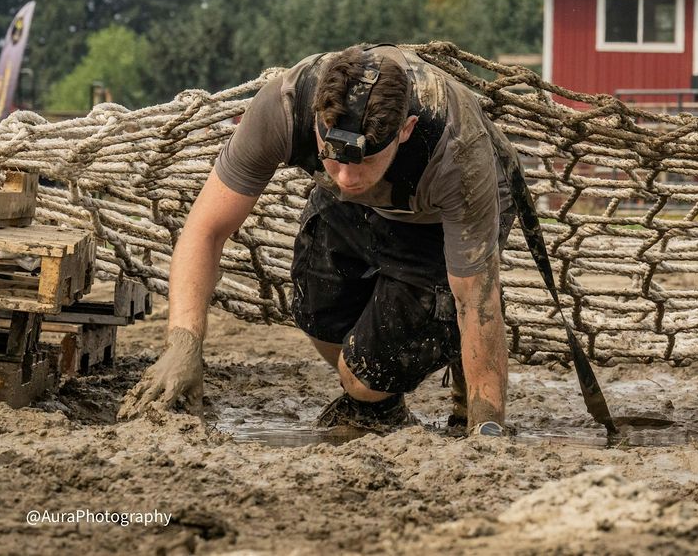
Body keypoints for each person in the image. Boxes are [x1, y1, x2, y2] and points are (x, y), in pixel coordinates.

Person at [119, 44, 518, 435]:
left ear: (406, 130)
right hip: (351, 211)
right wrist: (183, 346)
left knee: (366, 375)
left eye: (364, 159)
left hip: (435, 218)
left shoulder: (456, 152)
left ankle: (436, 369)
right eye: (335, 154)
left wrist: (486, 429)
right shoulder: (285, 104)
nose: (346, 177)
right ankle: (381, 406)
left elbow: (476, 300)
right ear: (316, 119)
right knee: (317, 314)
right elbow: (205, 230)